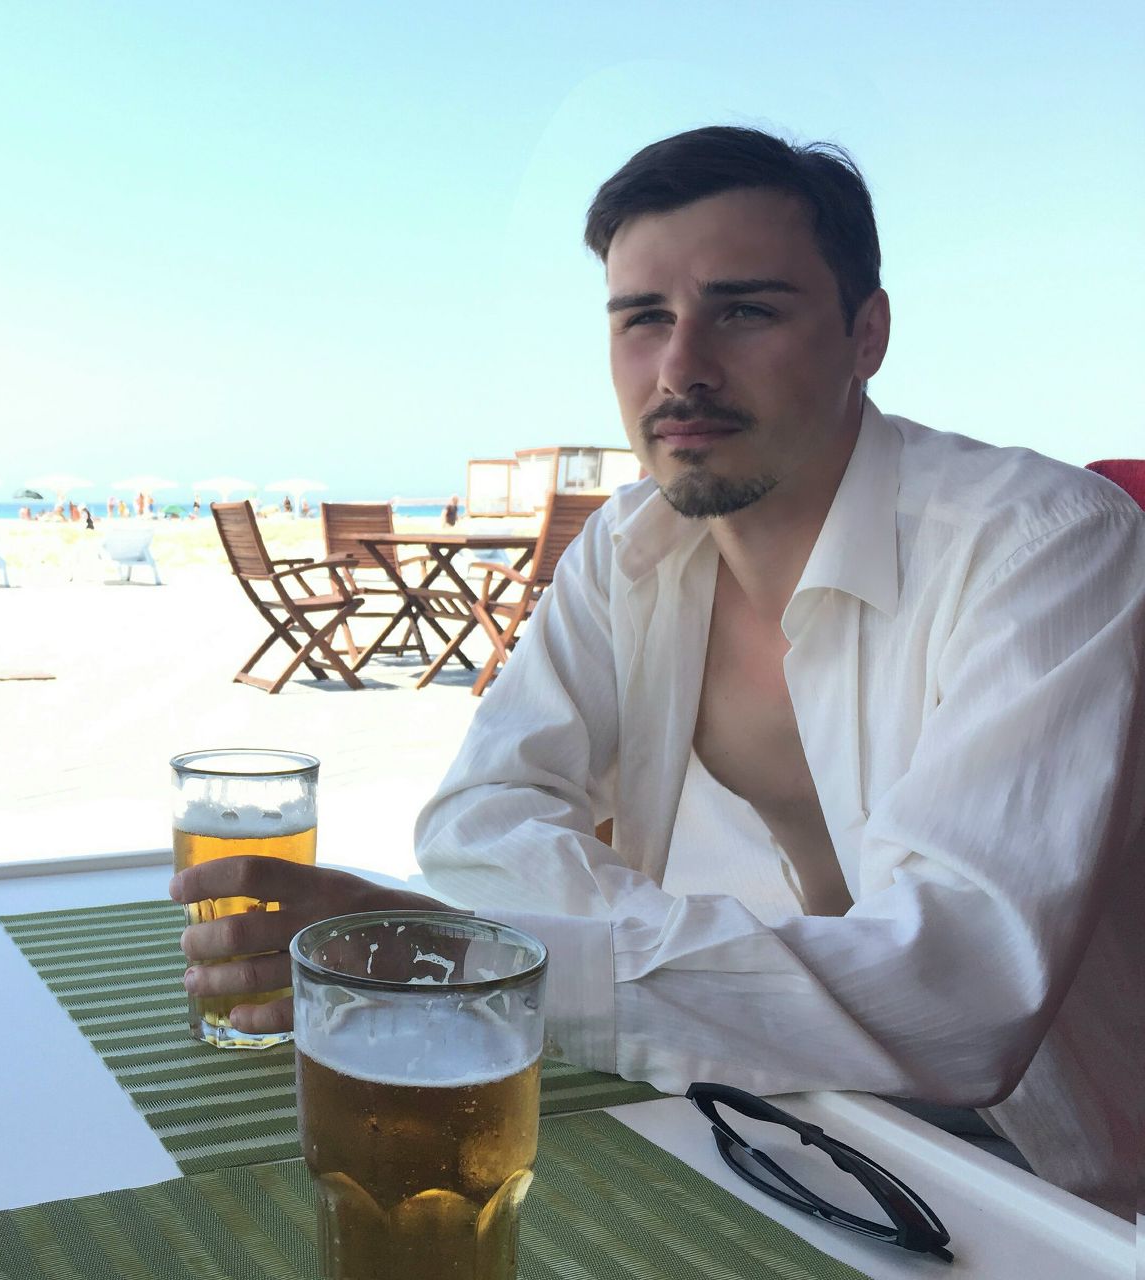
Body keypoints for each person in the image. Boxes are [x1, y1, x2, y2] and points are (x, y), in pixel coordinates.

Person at [169, 126, 1143, 1217]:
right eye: (641, 318)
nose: (680, 368)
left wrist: (484, 965)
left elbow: (960, 994)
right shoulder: (632, 546)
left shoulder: (1041, 545)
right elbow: (478, 819)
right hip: (747, 1101)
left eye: (746, 310)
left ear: (865, 333)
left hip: (1042, 1179)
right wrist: (653, 968)